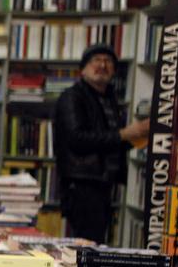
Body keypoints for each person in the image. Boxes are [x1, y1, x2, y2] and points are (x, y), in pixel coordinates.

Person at [53, 43, 149, 243]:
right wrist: (125, 134)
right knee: (86, 245)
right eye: (96, 60)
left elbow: (109, 141)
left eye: (108, 62)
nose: (102, 65)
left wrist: (138, 138)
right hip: (81, 185)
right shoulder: (72, 97)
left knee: (94, 242)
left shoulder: (108, 98)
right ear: (84, 68)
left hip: (103, 183)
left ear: (114, 70)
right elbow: (77, 139)